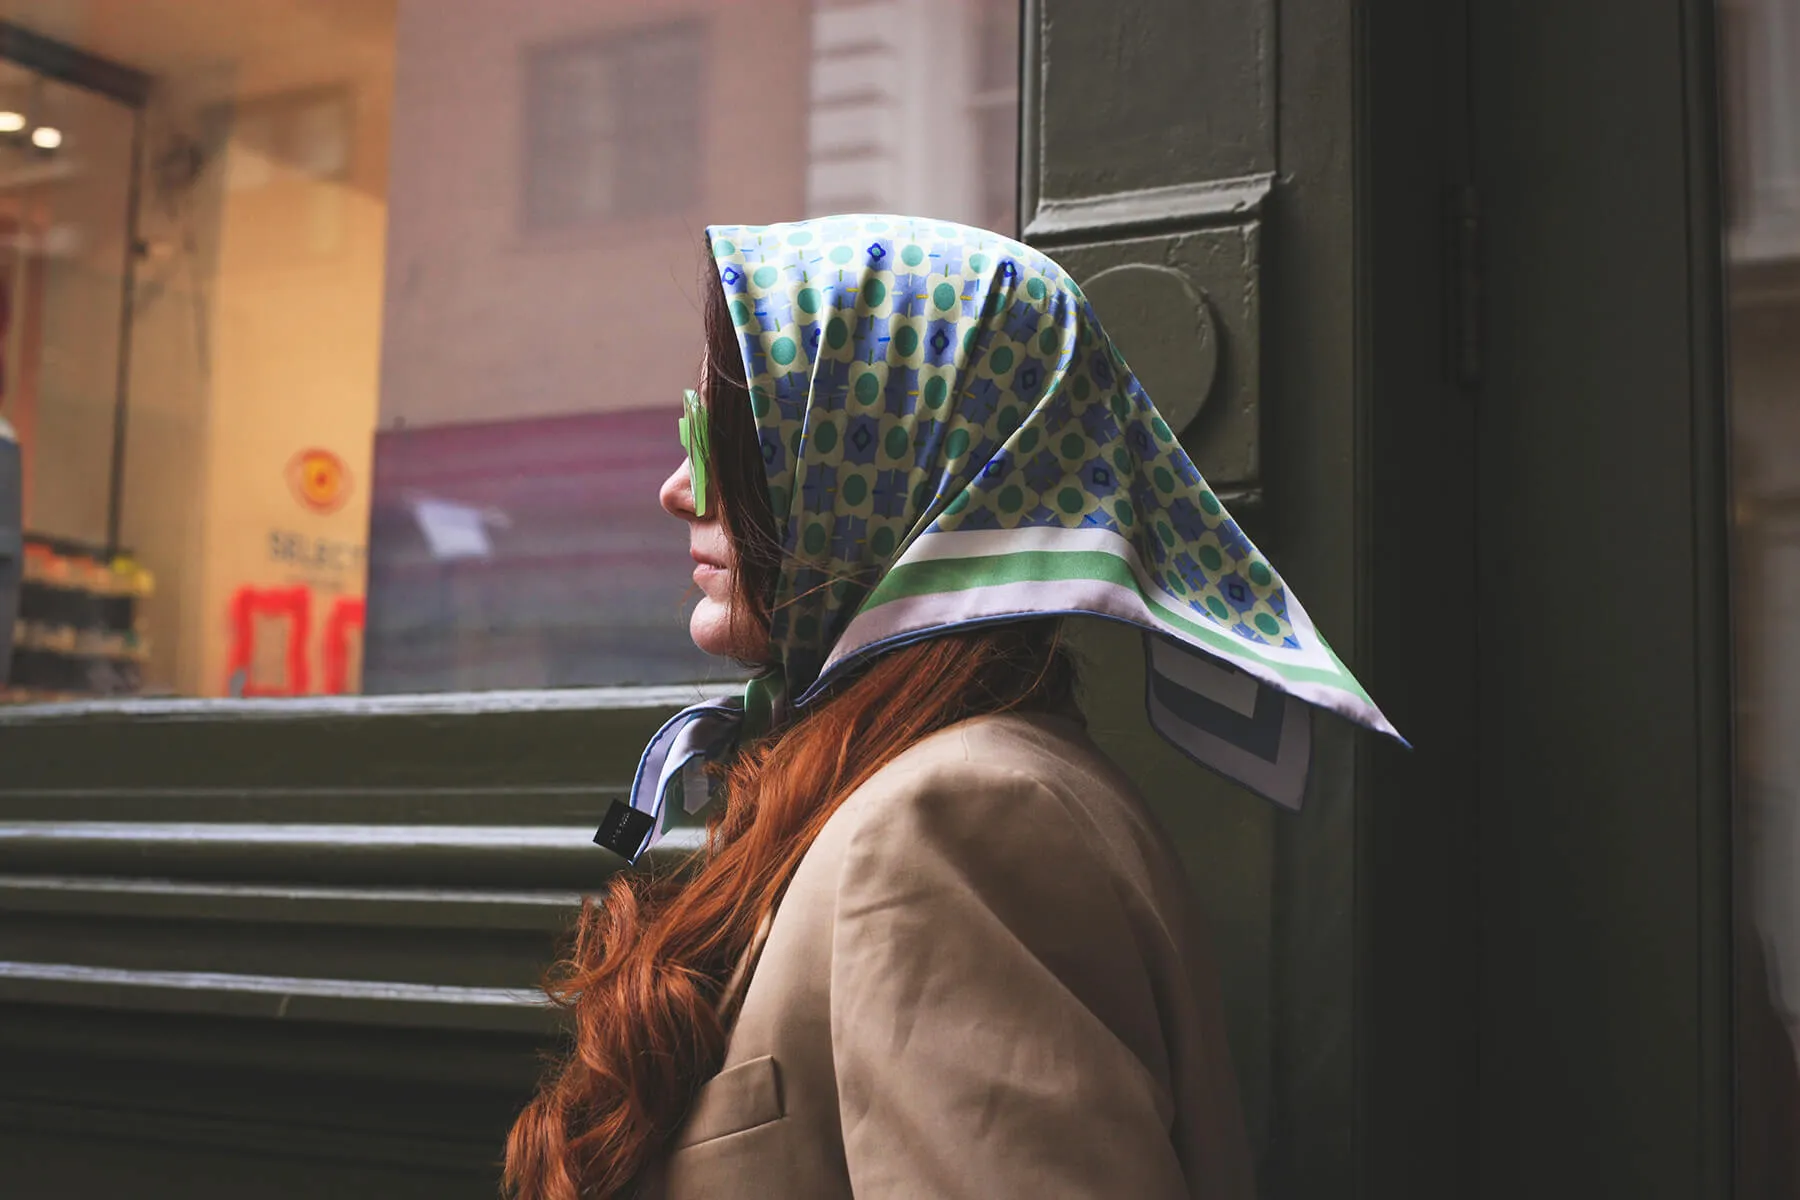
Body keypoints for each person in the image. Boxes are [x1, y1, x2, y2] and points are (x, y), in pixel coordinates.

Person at [504, 215, 1399, 1200]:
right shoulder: (896, 786)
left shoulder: (952, 823)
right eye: (693, 430)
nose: (679, 488)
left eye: (726, 436)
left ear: (881, 459)